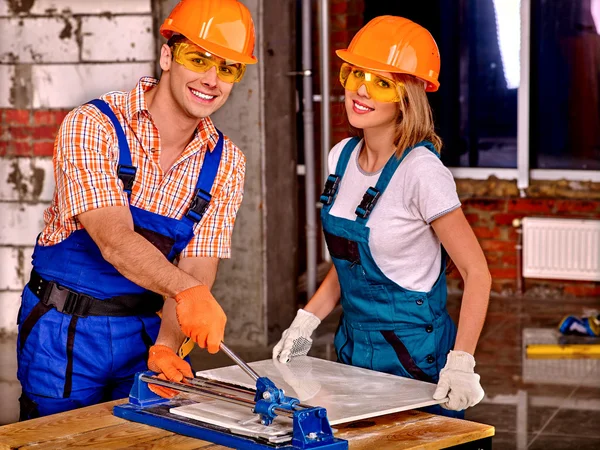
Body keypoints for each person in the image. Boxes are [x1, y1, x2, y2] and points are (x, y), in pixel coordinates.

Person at [16, 0, 257, 419]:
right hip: (64, 327)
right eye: (197, 58)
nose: (211, 79)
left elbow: (198, 267)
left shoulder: (226, 162)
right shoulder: (93, 125)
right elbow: (113, 240)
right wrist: (187, 292)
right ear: (167, 56)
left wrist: (167, 343)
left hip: (145, 331)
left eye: (229, 68)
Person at [273, 16, 491, 418]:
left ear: (407, 96)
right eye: (355, 73)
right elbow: (351, 262)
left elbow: (477, 272)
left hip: (417, 356)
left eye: (381, 83)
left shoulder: (421, 171)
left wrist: (461, 363)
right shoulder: (340, 158)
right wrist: (306, 321)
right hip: (353, 347)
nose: (360, 89)